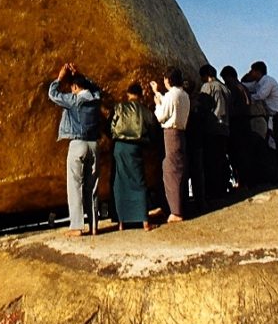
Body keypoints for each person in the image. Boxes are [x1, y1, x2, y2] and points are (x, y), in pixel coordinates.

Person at [47, 62, 103, 236]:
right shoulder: (95, 98)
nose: (71, 91)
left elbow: (52, 94)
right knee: (92, 187)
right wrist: (81, 75)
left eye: (72, 88)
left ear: (76, 87)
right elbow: (96, 88)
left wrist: (59, 78)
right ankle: (94, 226)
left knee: (75, 186)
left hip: (78, 144)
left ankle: (77, 226)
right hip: (94, 145)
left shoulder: (73, 100)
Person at [109, 81, 157, 230]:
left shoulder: (119, 107)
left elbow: (112, 126)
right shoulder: (145, 111)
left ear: (128, 94)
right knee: (139, 181)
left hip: (119, 147)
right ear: (140, 95)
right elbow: (153, 129)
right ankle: (145, 222)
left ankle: (121, 222)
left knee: (120, 183)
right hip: (136, 148)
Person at [244, 60, 278, 185]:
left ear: (257, 71)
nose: (250, 73)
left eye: (252, 71)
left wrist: (246, 98)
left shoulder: (268, 81)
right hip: (277, 118)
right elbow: (248, 87)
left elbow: (260, 95)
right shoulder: (259, 83)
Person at [150, 66, 191, 222]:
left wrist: (156, 104)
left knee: (171, 171)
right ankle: (181, 207)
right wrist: (157, 92)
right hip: (181, 133)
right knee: (179, 170)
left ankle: (176, 212)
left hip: (171, 134)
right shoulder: (184, 95)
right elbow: (170, 104)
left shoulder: (171, 95)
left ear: (168, 80)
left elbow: (162, 115)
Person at [197, 64, 231, 204]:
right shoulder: (225, 88)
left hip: (212, 127)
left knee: (211, 161)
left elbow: (202, 108)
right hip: (225, 128)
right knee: (222, 159)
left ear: (206, 76)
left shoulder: (207, 87)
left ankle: (213, 192)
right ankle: (223, 189)